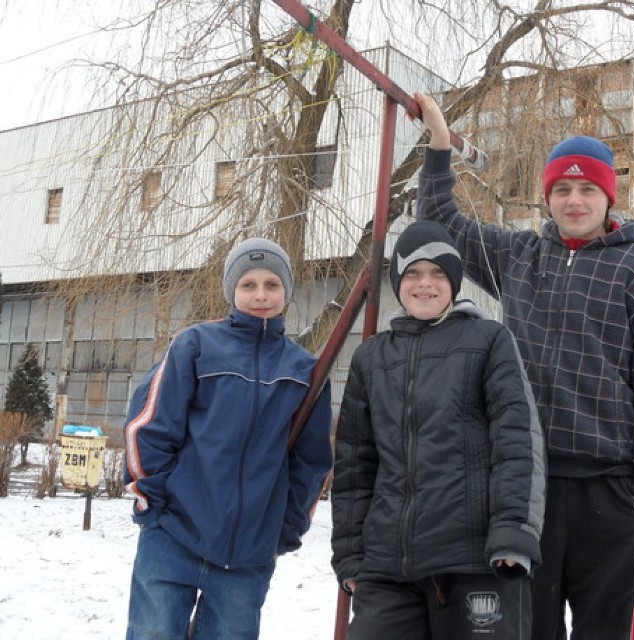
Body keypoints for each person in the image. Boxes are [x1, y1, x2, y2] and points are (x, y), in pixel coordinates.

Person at [412, 92, 634, 640]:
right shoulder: (519, 257)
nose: (575, 200)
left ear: (608, 196)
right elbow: (442, 220)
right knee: (525, 629)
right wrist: (440, 146)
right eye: (562, 188)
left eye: (588, 189)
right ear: (548, 197)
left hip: (611, 491)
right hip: (525, 487)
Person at [330, 220, 546, 640]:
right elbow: (355, 466)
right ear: (396, 280)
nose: (424, 284)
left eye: (437, 273)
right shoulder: (371, 358)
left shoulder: (488, 340)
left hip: (475, 561)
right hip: (389, 568)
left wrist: (512, 531)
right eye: (412, 272)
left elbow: (517, 442)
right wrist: (352, 557)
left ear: (454, 281)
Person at [123, 237, 333, 639]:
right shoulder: (196, 346)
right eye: (248, 285)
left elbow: (311, 462)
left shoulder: (305, 370)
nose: (260, 295)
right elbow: (150, 426)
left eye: (271, 284)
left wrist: (286, 528)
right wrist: (151, 502)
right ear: (231, 290)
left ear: (286, 290)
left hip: (248, 553)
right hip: (174, 536)